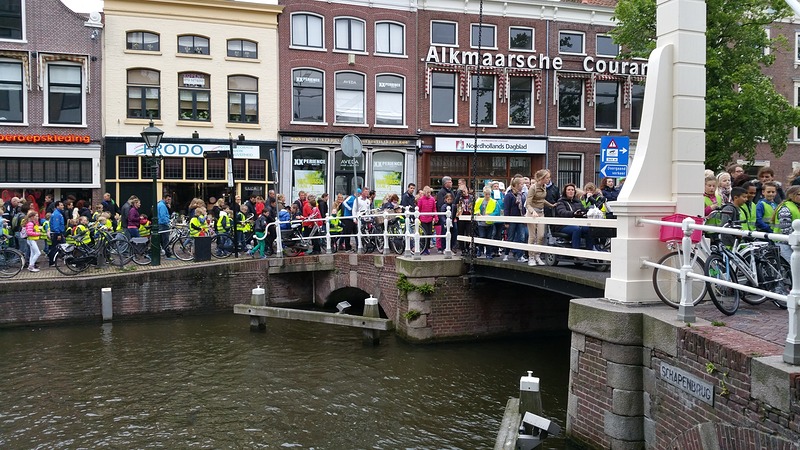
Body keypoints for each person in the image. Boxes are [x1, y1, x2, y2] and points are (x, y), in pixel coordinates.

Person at [525, 169, 555, 266]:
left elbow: (542, 200)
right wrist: (532, 212)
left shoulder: (544, 186)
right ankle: (531, 257)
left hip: (541, 213)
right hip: (532, 213)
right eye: (547, 177)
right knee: (532, 236)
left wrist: (551, 205)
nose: (548, 179)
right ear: (542, 178)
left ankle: (538, 255)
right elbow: (528, 204)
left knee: (541, 235)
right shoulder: (533, 188)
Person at [554, 183, 595, 251]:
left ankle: (590, 251)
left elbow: (584, 211)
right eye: (569, 190)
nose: (571, 191)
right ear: (565, 192)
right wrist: (573, 214)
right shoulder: (561, 202)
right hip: (563, 225)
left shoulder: (577, 202)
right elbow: (562, 212)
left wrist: (591, 212)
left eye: (572, 190)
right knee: (576, 229)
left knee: (588, 229)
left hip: (577, 224)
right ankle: (576, 253)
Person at [502, 177, 527, 263]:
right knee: (510, 237)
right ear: (516, 185)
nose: (522, 185)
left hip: (520, 219)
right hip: (512, 219)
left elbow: (524, 207)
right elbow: (506, 209)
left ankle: (520, 255)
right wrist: (506, 221)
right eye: (521, 184)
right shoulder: (509, 195)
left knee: (522, 237)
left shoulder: (522, 195)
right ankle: (506, 254)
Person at [473, 185, 500, 259]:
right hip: (481, 223)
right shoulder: (479, 201)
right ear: (484, 194)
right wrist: (478, 213)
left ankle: (488, 253)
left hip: (489, 223)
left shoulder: (494, 202)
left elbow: (497, 212)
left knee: (488, 238)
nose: (487, 196)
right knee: (482, 237)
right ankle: (480, 250)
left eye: (489, 194)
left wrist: (490, 215)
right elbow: (476, 209)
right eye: (486, 194)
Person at [776, 185, 800, 262]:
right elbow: (786, 230)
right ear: (791, 195)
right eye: (799, 194)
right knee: (790, 266)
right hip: (784, 243)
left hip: (796, 243)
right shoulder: (785, 209)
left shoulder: (797, 207)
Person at [416, 186, 437, 255]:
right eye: (427, 193)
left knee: (430, 234)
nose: (429, 194)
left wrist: (435, 217)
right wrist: (418, 218)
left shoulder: (432, 199)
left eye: (429, 193)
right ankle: (424, 248)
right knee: (425, 233)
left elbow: (434, 209)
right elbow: (419, 209)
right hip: (423, 219)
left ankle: (427, 247)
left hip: (430, 219)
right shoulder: (421, 200)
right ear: (425, 193)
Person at [47, 201, 65, 266]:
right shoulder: (57, 215)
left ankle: (53, 259)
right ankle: (52, 261)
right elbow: (56, 225)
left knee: (57, 247)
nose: (63, 206)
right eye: (61, 205)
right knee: (55, 248)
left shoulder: (58, 213)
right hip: (56, 233)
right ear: (57, 206)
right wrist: (58, 234)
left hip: (57, 233)